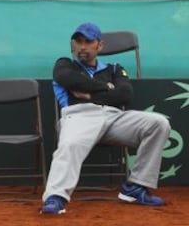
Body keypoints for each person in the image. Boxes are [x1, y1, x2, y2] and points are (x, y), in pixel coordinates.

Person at [41, 22, 171, 214]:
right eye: (78, 42)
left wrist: (90, 93)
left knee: (158, 123)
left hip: (114, 118)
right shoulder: (64, 64)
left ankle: (136, 187)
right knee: (69, 145)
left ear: (99, 45)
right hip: (79, 117)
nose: (82, 46)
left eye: (88, 41)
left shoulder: (115, 68)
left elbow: (125, 95)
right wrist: (107, 88)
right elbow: (69, 79)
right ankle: (55, 197)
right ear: (73, 45)